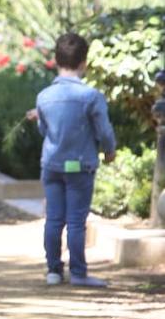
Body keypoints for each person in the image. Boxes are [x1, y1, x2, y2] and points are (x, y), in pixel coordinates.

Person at [28, 32, 116, 287]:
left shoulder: (44, 96)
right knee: (76, 221)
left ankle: (53, 270)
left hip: (51, 164)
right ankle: (78, 272)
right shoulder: (91, 96)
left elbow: (44, 131)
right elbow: (104, 131)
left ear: (56, 61)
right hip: (80, 164)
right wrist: (109, 150)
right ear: (83, 63)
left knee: (54, 219)